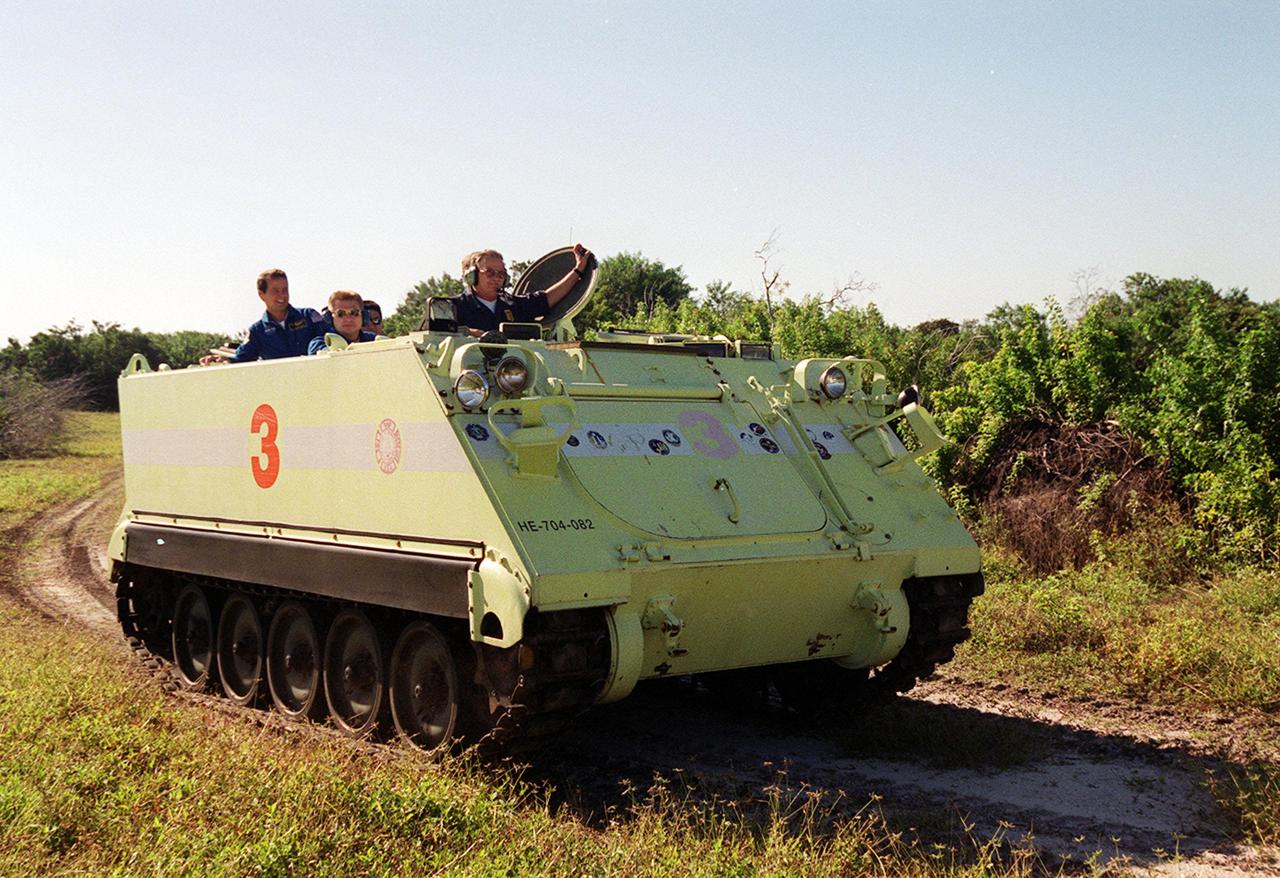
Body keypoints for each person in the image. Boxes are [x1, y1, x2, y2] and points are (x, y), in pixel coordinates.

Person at [456, 243, 592, 335]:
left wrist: (578, 270)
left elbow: (549, 297)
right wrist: (466, 332)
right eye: (489, 273)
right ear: (471, 276)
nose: (497, 278)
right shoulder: (453, 308)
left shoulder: (514, 306)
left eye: (501, 274)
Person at [201, 269, 326, 364]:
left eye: (285, 289)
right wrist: (221, 360)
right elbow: (242, 358)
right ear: (261, 295)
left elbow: (331, 341)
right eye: (275, 291)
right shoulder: (257, 331)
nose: (282, 295)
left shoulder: (309, 316)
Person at [308, 291, 378, 354]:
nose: (348, 319)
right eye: (340, 314)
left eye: (354, 313)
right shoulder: (320, 344)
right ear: (329, 318)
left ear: (363, 316)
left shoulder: (374, 340)